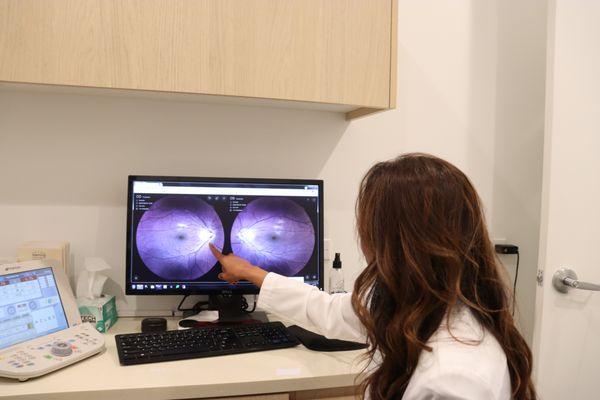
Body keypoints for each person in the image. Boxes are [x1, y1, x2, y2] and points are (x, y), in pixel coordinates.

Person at [209, 153, 536, 400]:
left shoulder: (454, 379)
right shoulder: (419, 305)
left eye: (366, 225)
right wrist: (250, 272)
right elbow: (328, 310)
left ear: (388, 242)